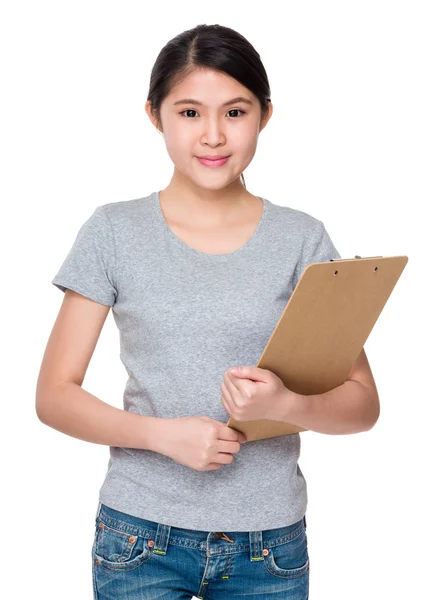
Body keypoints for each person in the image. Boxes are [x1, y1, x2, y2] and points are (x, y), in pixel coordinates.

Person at [36, 23, 379, 600]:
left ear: (265, 115)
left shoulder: (302, 239)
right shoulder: (113, 232)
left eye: (236, 112)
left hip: (268, 545)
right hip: (139, 535)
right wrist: (160, 436)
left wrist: (286, 404)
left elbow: (363, 404)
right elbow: (54, 395)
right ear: (155, 115)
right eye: (190, 112)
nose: (214, 135)